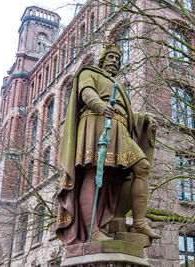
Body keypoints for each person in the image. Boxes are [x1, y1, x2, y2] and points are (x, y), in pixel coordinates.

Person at [56, 44, 160, 244]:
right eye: (111, 57)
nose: (115, 61)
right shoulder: (89, 72)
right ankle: (92, 231)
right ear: (103, 59)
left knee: (142, 166)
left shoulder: (118, 85)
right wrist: (101, 106)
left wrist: (143, 119)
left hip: (120, 128)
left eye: (118, 58)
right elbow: (86, 93)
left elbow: (125, 113)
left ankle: (139, 222)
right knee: (94, 173)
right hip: (96, 122)